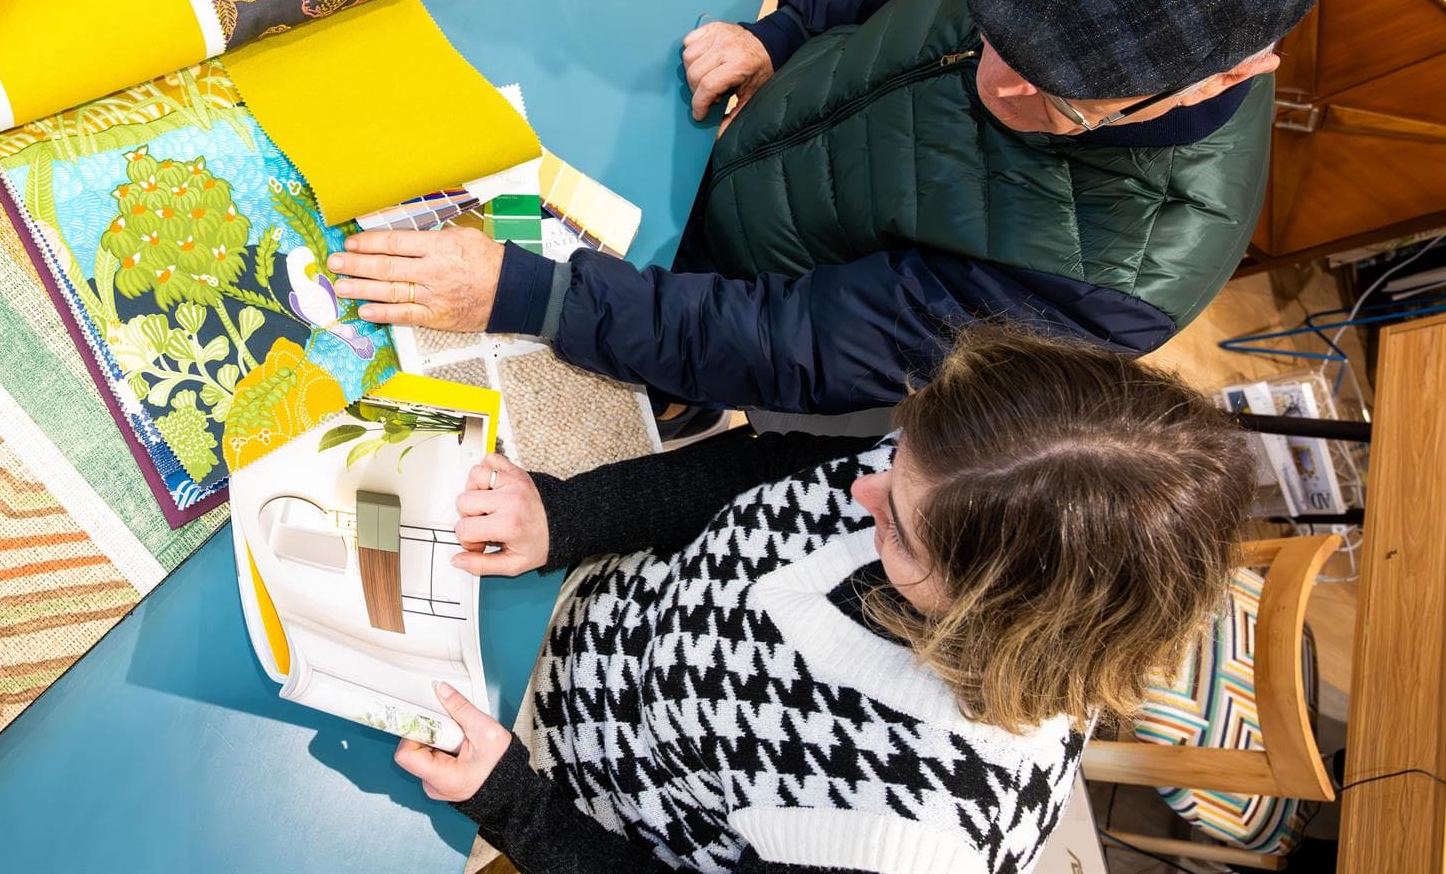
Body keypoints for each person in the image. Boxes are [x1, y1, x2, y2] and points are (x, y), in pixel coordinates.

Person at [328, 0, 1354, 424]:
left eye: (1061, 98)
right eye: (993, 26)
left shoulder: (1116, 283)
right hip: (720, 160)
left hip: (737, 306)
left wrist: (533, 298)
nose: (997, 81)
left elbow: (793, 345)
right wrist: (785, 32)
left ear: (1232, 75)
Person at [393, 327, 1256, 872]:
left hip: (540, 801)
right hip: (555, 617)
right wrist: (566, 516)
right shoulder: (961, 465)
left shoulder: (921, 836)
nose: (862, 494)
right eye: (893, 454)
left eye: (903, 534)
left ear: (995, 614)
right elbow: (766, 466)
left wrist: (512, 801)